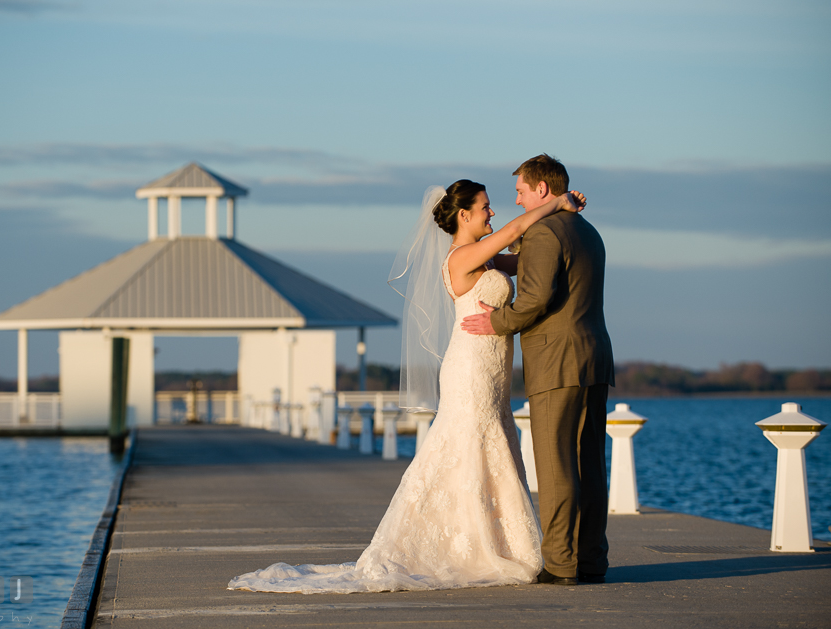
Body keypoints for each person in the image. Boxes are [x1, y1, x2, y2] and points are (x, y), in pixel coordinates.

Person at [228, 179, 585, 593]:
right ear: (464, 215)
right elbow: (512, 235)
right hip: (469, 367)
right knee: (465, 446)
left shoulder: (487, 262)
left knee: (490, 446)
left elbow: (523, 259)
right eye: (485, 207)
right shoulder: (462, 256)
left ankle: (494, 541)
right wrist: (557, 201)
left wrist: (560, 219)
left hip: (492, 369)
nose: (493, 213)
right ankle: (465, 545)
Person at [461, 154, 614, 586]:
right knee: (589, 464)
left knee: (556, 464)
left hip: (557, 361)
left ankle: (561, 564)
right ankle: (591, 560)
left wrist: (497, 321)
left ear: (542, 190)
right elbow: (536, 269)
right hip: (595, 358)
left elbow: (535, 300)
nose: (516, 200)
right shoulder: (589, 231)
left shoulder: (545, 232)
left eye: (521, 191)